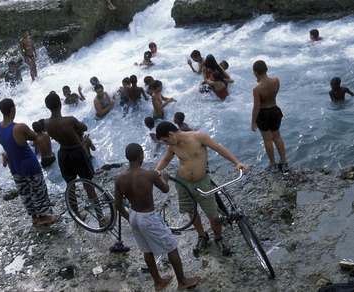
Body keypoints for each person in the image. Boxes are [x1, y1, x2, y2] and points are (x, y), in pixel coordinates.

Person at [114, 143, 201, 291]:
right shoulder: (149, 174)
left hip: (134, 216)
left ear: (127, 158)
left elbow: (117, 205)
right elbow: (165, 189)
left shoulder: (120, 178)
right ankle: (182, 281)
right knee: (171, 246)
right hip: (148, 217)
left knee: (147, 250)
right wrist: (165, 179)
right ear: (141, 156)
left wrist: (130, 218)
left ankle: (158, 282)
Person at [155, 122, 248, 256]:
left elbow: (218, 148)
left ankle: (218, 238)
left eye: (165, 140)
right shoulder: (172, 146)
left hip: (202, 182)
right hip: (183, 182)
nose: (165, 144)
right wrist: (157, 170)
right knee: (192, 212)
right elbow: (166, 159)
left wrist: (237, 162)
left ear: (171, 134)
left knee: (213, 215)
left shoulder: (198, 137)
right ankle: (202, 236)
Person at [0, 98, 60, 225]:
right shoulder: (19, 127)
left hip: (15, 166)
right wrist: (24, 136)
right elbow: (34, 136)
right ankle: (43, 217)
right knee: (38, 189)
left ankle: (34, 217)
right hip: (29, 164)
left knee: (25, 192)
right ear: (13, 109)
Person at [44, 92, 104, 224]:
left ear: (48, 107)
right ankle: (101, 218)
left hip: (63, 154)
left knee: (70, 185)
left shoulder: (46, 123)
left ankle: (77, 215)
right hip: (77, 152)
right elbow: (84, 127)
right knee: (88, 185)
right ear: (60, 104)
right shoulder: (69, 120)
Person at [251, 60, 289, 173]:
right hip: (275, 110)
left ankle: (273, 165)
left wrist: (253, 122)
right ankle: (284, 162)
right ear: (266, 69)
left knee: (268, 140)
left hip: (263, 114)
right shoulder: (276, 81)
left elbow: (256, 107)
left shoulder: (256, 89)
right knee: (277, 137)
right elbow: (273, 93)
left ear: (255, 73)